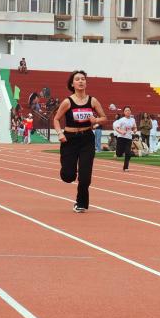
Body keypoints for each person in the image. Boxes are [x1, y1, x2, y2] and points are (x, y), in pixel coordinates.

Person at [53, 70, 106, 213]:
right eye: (77, 79)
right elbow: (56, 119)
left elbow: (104, 118)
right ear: (72, 84)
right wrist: (59, 133)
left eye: (83, 79)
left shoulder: (93, 101)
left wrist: (96, 120)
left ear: (86, 83)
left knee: (85, 176)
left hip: (87, 138)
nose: (81, 81)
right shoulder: (67, 102)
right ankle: (69, 170)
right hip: (69, 139)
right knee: (68, 176)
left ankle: (81, 203)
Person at [112, 106, 136, 171]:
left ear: (130, 111)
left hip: (129, 138)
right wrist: (121, 132)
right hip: (121, 138)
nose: (128, 111)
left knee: (128, 153)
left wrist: (135, 130)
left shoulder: (133, 120)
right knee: (119, 154)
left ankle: (126, 167)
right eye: (126, 110)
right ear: (124, 112)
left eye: (129, 110)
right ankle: (117, 153)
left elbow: (135, 127)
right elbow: (116, 128)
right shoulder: (121, 120)